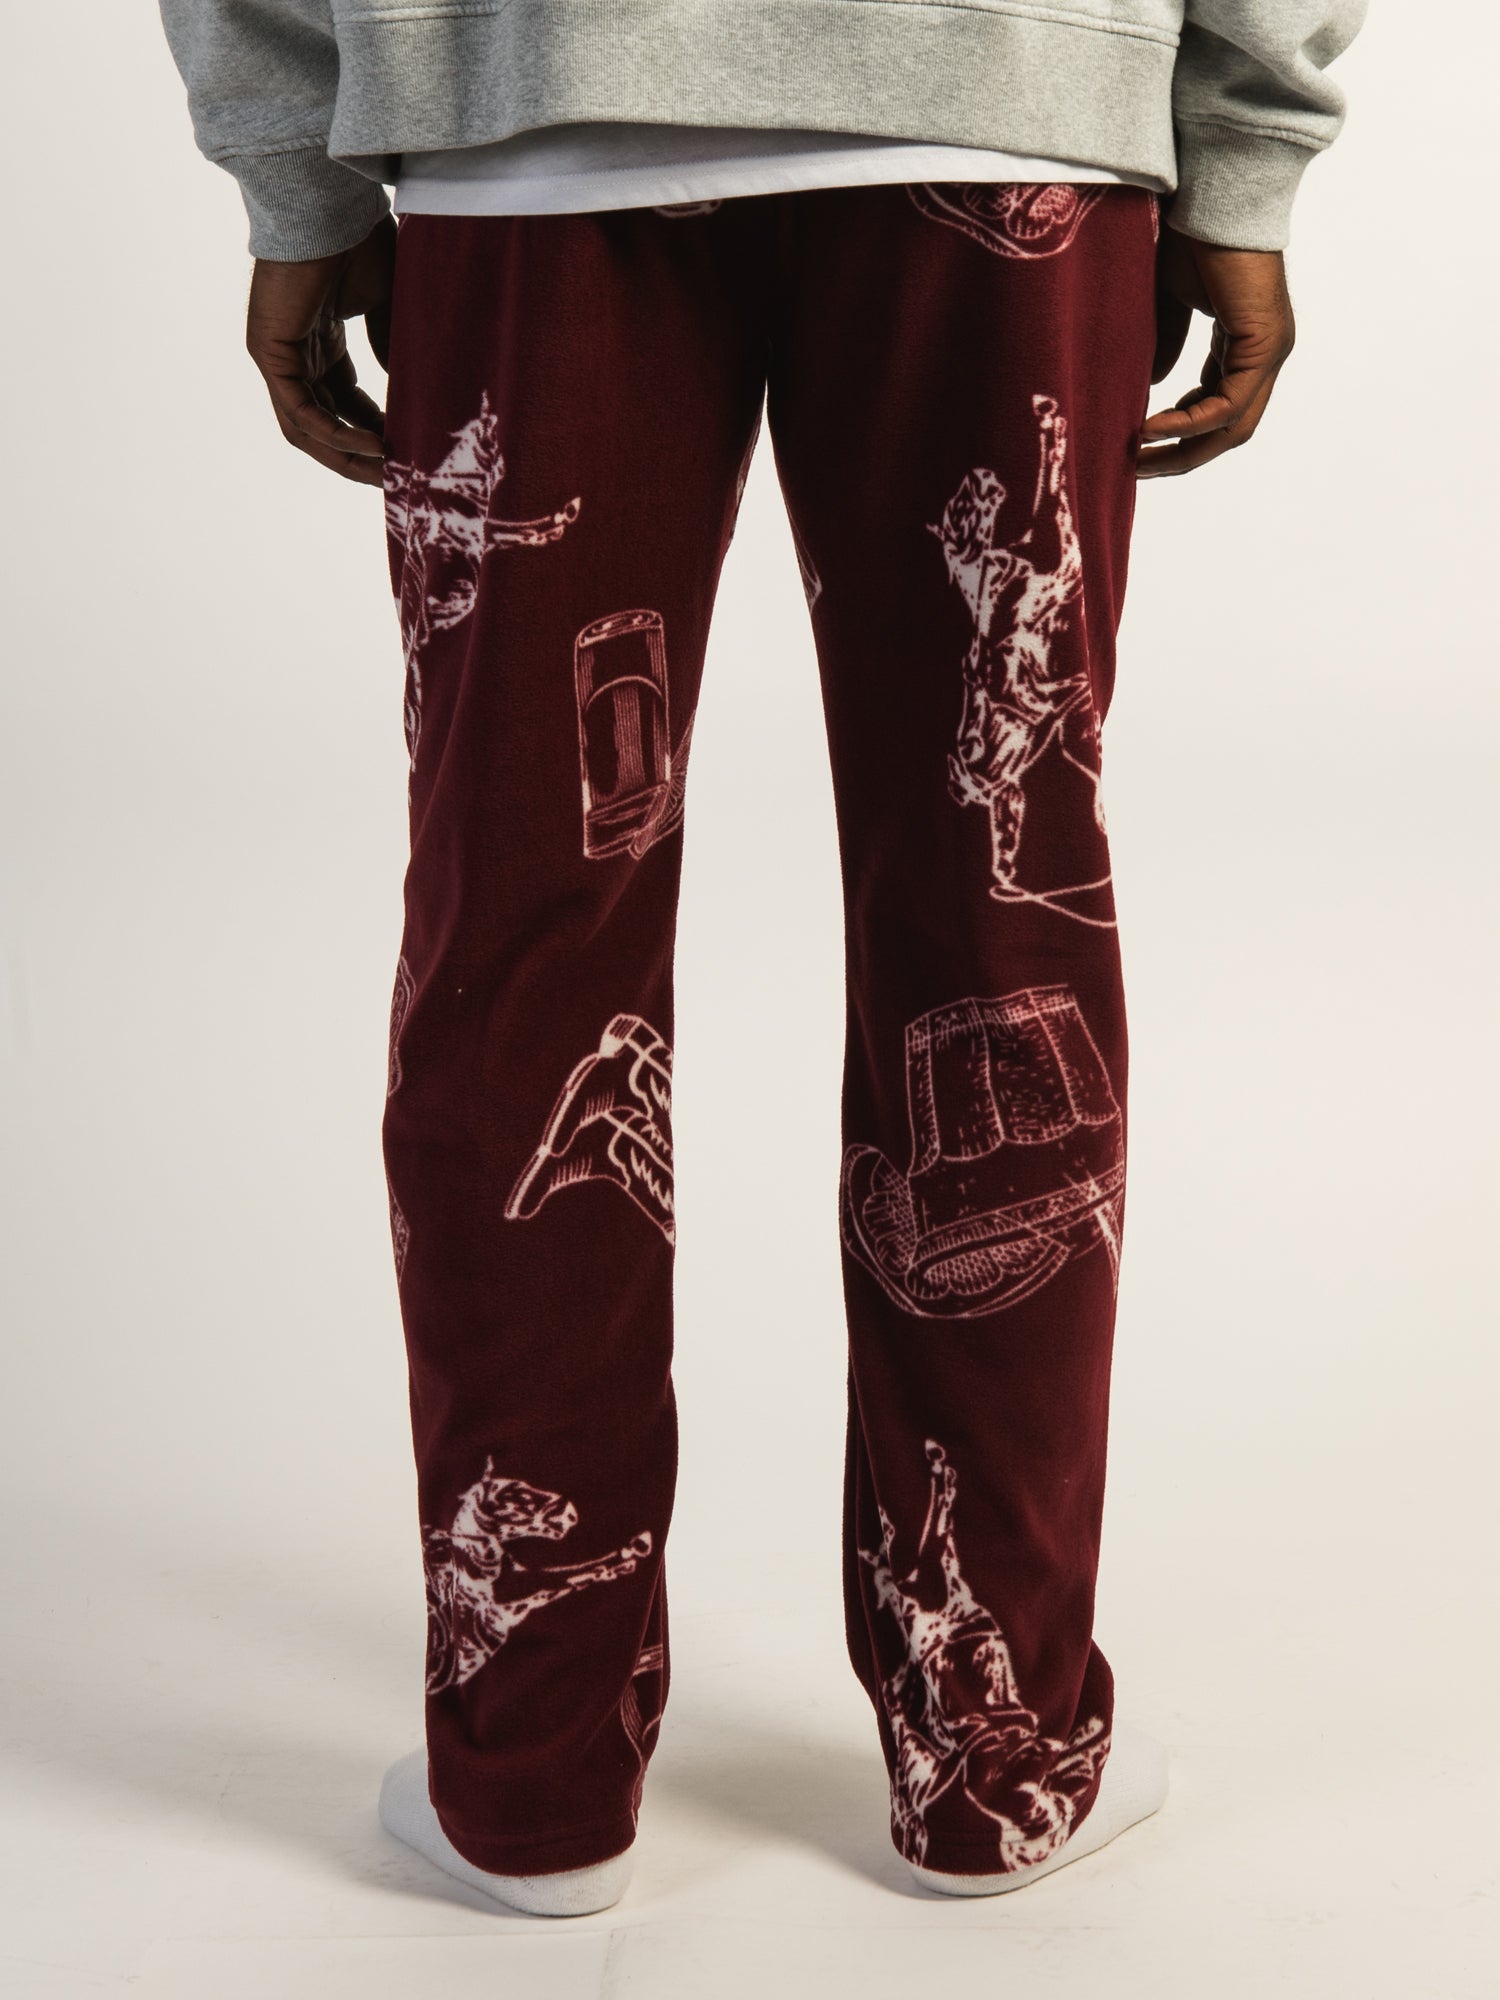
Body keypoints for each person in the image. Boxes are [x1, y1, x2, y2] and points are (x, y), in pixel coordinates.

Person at [159, 0, 1366, 1920]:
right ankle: (995, 1775)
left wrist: (295, 162)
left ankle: (532, 1786)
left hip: (531, 116)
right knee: (997, 918)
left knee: (520, 939)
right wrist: (1246, 143)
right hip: (1001, 103)